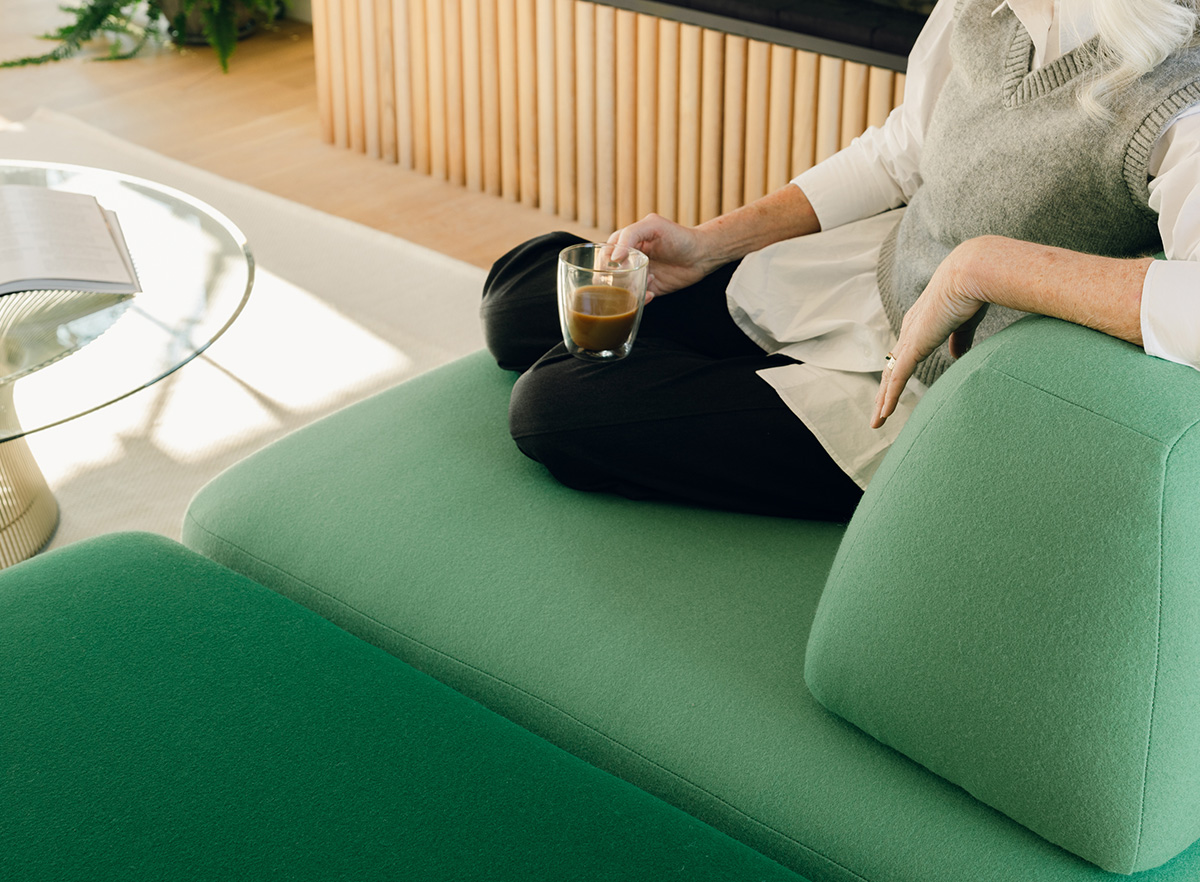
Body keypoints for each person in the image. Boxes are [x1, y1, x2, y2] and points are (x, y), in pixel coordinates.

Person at [481, 0, 1200, 522]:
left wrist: (987, 267)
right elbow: (904, 150)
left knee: (553, 411)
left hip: (940, 392)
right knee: (519, 303)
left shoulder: (1178, 91)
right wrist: (709, 245)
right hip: (874, 276)